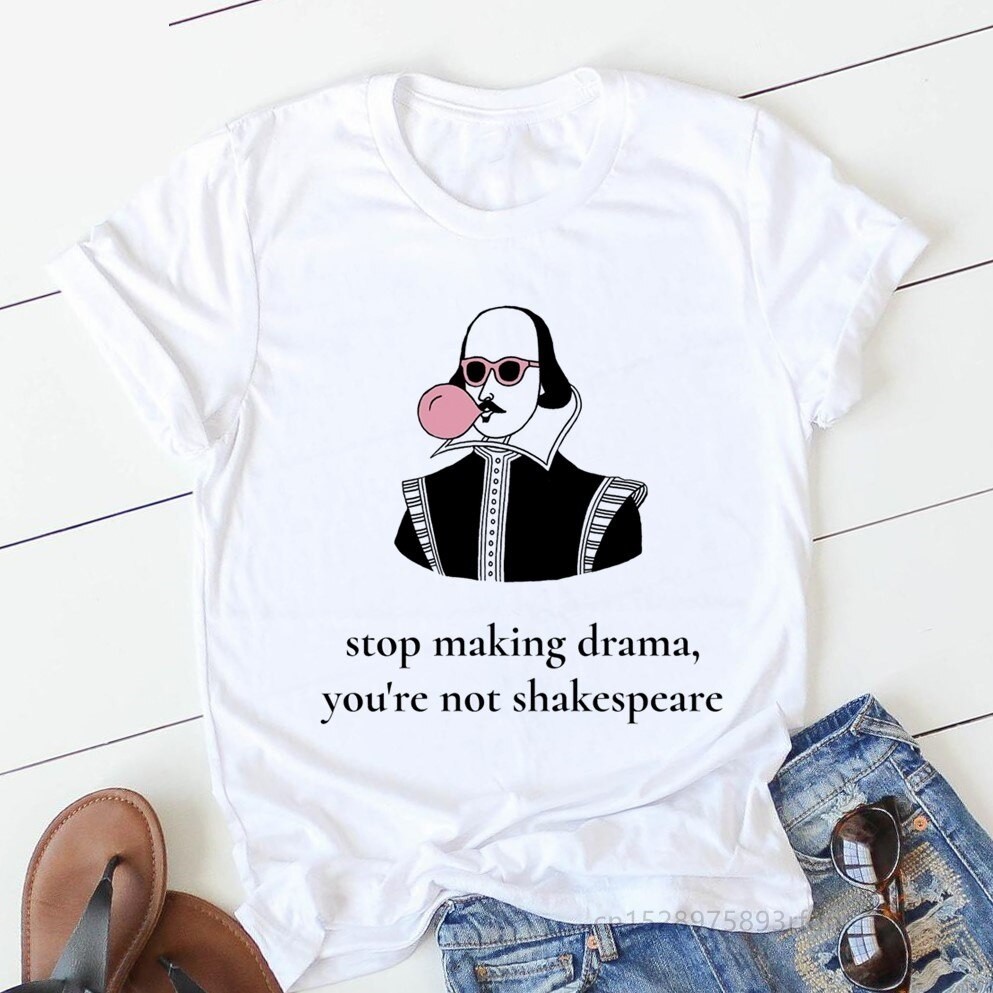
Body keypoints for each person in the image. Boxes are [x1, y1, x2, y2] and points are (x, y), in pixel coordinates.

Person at [395, 305, 647, 582]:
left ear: (543, 381)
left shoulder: (609, 511)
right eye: (476, 371)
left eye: (509, 371)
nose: (487, 391)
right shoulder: (424, 505)